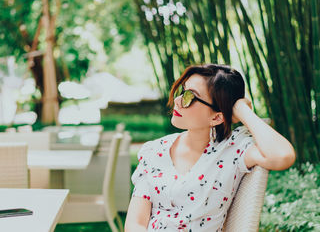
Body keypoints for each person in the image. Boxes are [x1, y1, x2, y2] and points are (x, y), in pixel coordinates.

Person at [124, 64, 296, 232]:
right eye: (182, 92)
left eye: (189, 97)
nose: (177, 101)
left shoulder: (232, 151)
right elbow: (135, 224)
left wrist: (242, 110)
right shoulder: (154, 151)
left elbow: (282, 156)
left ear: (217, 117)